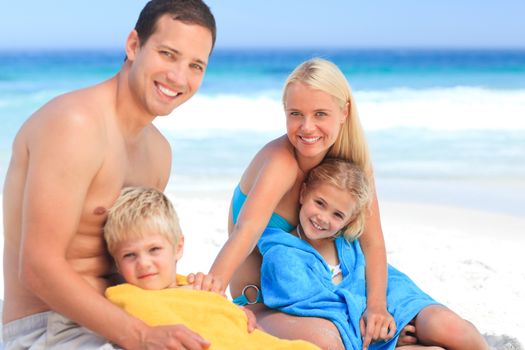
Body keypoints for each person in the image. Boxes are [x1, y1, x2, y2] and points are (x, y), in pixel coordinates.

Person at [2, 1, 218, 349]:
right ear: (134, 46)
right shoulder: (75, 125)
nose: (179, 77)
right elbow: (37, 268)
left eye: (195, 65)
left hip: (125, 316)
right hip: (47, 329)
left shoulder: (158, 153)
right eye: (167, 54)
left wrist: (206, 308)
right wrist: (142, 335)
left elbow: (135, 261)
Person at [209, 57, 394, 349]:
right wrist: (210, 291)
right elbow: (246, 231)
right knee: (329, 341)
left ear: (343, 112)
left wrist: (377, 307)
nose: (307, 127)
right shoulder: (281, 162)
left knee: (439, 332)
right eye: (296, 113)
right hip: (263, 306)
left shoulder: (351, 165)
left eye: (320, 114)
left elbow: (373, 243)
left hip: (328, 295)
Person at [259, 158, 489, 350]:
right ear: (303, 194)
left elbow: (393, 283)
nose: (323, 218)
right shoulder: (283, 256)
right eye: (319, 203)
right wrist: (388, 335)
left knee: (449, 327)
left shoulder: (349, 244)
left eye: (337, 215)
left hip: (392, 308)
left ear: (349, 219)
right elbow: (317, 311)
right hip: (364, 336)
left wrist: (389, 317)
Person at [102, 186, 320, 350]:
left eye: (154, 250)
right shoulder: (126, 297)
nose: (143, 263)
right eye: (129, 255)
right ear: (117, 263)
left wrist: (236, 314)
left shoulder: (197, 286)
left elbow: (229, 321)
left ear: (178, 247)